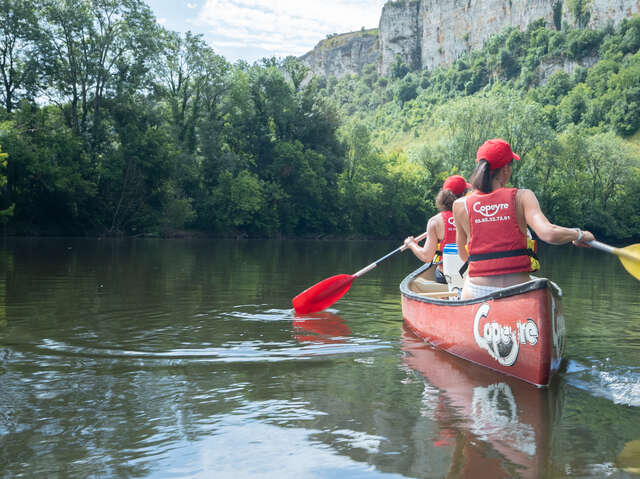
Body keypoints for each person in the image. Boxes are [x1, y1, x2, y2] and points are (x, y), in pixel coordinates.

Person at [452, 138, 595, 300]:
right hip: (518, 293)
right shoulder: (522, 197)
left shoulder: (460, 205)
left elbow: (463, 256)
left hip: (476, 292)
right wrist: (579, 234)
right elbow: (549, 233)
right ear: (506, 169)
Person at [404, 175, 471, 284]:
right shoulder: (473, 216)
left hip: (445, 277)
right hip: (469, 276)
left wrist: (411, 244)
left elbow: (427, 257)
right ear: (464, 195)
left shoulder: (435, 222)